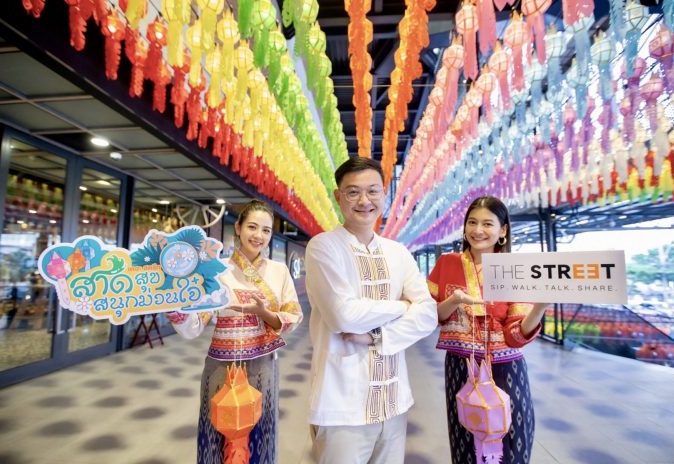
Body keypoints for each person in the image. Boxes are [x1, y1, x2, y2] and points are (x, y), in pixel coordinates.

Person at [305, 157, 438, 464]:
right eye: (353, 192)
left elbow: (428, 313)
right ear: (338, 196)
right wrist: (403, 306)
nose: (364, 201)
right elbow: (343, 315)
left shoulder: (398, 252)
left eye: (373, 191)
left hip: (394, 402)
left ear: (384, 194)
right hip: (342, 404)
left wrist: (377, 336)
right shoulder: (324, 246)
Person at [167, 199, 303, 464]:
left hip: (262, 366)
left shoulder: (280, 271)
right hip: (220, 366)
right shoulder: (216, 271)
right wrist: (175, 310)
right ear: (238, 228)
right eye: (252, 227)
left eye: (266, 230)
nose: (259, 235)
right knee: (216, 434)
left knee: (259, 433)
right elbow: (193, 327)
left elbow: (294, 316)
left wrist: (264, 313)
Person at [426, 196, 548, 464]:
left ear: (503, 230)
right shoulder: (446, 263)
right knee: (466, 440)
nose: (477, 230)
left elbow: (515, 336)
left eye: (487, 224)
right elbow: (429, 316)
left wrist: (540, 306)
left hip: (506, 368)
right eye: (472, 222)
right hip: (460, 367)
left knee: (512, 440)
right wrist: (454, 300)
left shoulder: (514, 270)